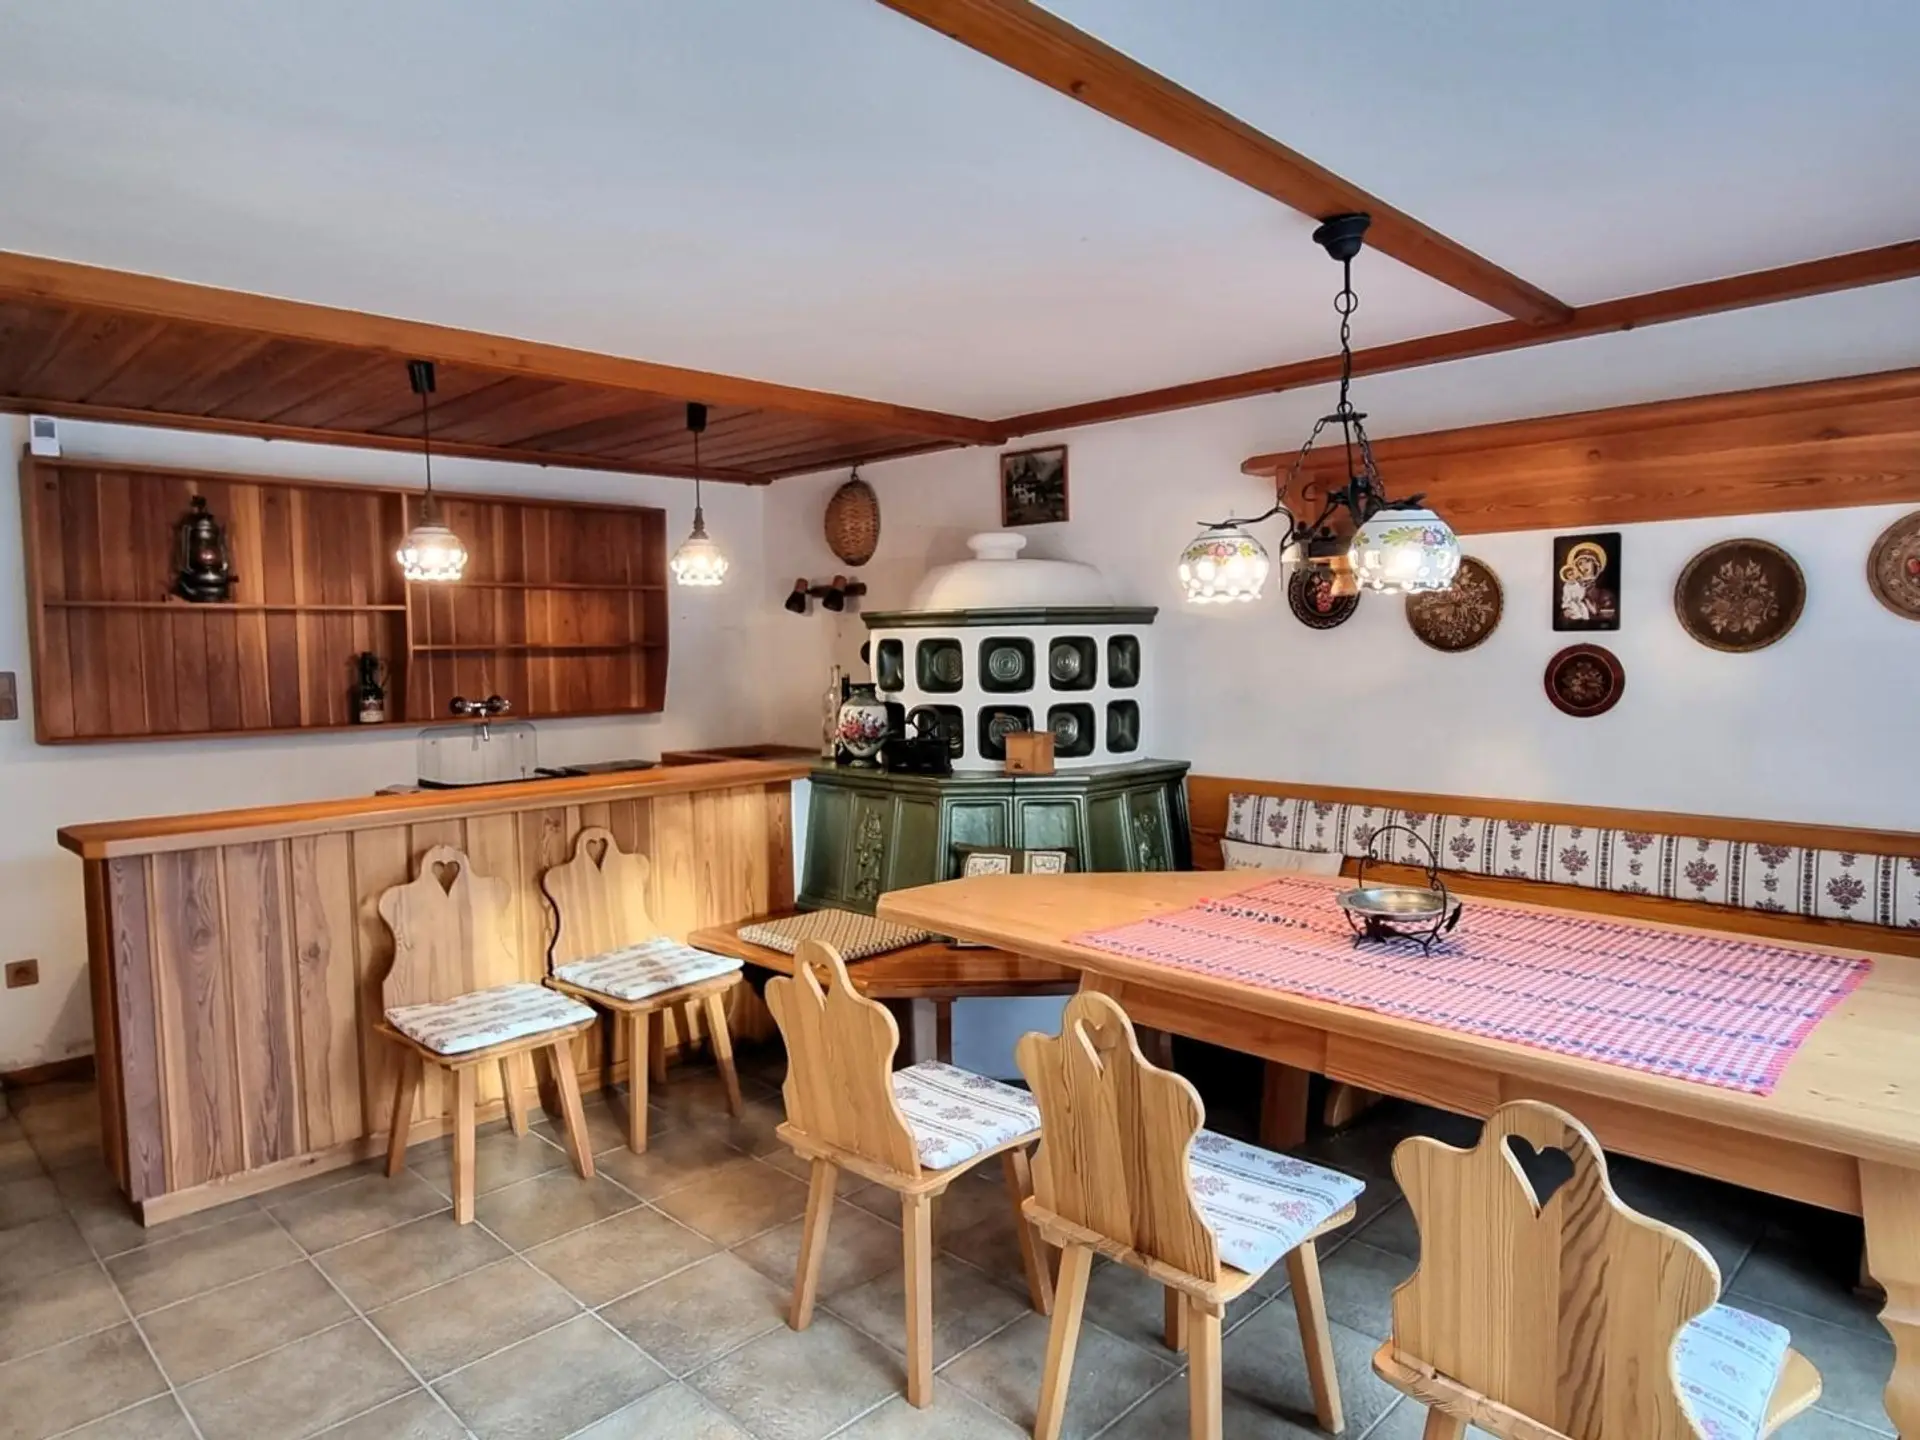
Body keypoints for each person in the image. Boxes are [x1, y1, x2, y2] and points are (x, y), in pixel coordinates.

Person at [1559, 540, 1616, 625]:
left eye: (1588, 561)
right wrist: (1567, 615)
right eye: (1580, 563)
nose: (1584, 565)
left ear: (1596, 564)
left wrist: (1588, 602)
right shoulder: (1571, 589)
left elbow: (1609, 622)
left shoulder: (1605, 595)